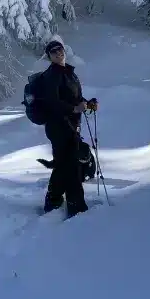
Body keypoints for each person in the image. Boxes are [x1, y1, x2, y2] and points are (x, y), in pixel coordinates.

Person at [40, 39, 98, 218]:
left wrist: (88, 104)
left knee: (63, 166)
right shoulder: (52, 75)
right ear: (49, 56)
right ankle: (77, 209)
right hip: (58, 127)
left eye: (60, 50)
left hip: (71, 126)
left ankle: (53, 202)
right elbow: (52, 102)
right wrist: (74, 109)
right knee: (71, 168)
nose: (58, 53)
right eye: (53, 52)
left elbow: (75, 97)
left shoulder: (69, 72)